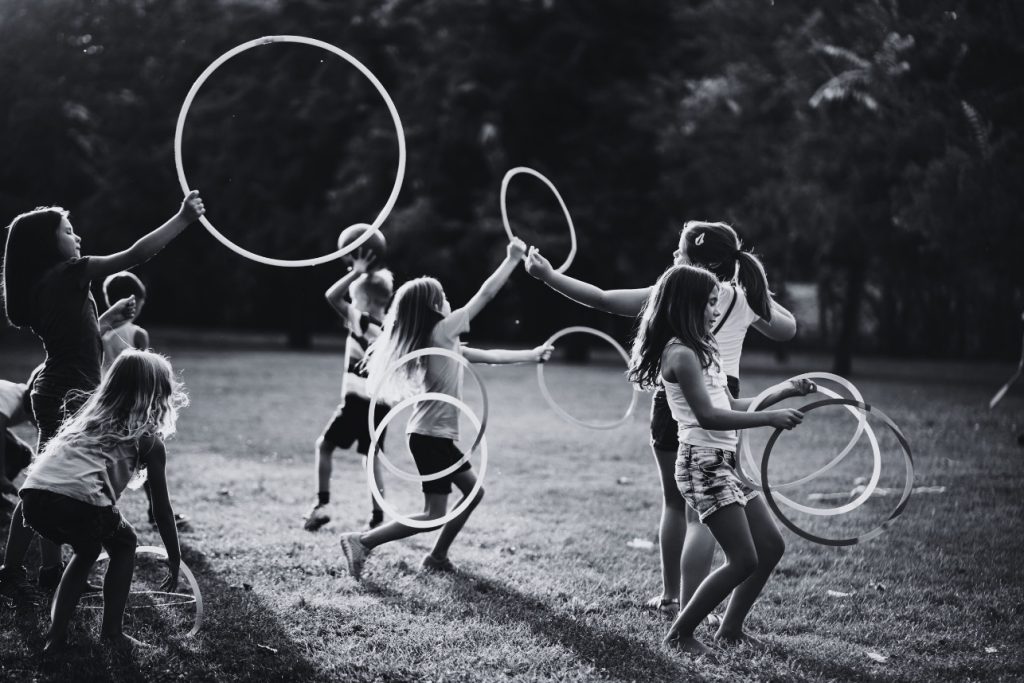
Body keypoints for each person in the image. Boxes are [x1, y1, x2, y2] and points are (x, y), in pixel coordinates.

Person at [525, 220, 796, 618]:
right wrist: (751, 286)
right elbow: (787, 329)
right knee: (707, 508)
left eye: (680, 252)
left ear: (696, 263)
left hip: (676, 401)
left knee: (679, 505)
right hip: (724, 399)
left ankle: (675, 600)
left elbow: (601, 299)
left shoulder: (673, 291)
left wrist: (549, 276)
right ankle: (690, 609)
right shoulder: (741, 298)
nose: (673, 257)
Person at [0, 190, 204, 598]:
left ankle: (34, 570)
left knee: (43, 482)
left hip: (55, 385)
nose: (77, 237)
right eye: (68, 230)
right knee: (45, 485)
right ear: (48, 244)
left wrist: (106, 319)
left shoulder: (45, 285)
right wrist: (183, 218)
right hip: (67, 392)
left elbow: (76, 338)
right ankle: (39, 571)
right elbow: (134, 253)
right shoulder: (71, 272)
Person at [338, 237, 552, 579]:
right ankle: (362, 541)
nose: (450, 301)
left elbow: (490, 356)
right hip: (430, 437)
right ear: (434, 307)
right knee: (434, 511)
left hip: (431, 435)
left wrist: (532, 354)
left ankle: (435, 556)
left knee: (469, 494)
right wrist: (511, 259)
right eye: (443, 297)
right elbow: (485, 295)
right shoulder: (441, 332)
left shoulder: (444, 341)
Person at [627, 265, 813, 655]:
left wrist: (783, 390)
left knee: (770, 547)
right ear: (687, 304)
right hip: (702, 465)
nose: (716, 309)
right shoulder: (679, 354)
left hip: (726, 462)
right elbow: (708, 417)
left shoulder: (705, 351)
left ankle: (729, 629)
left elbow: (729, 404)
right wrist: (768, 418)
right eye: (710, 302)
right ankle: (680, 633)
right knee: (743, 558)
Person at [20, 350, 186, 653]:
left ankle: (55, 638)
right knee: (124, 543)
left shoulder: (85, 421)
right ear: (157, 394)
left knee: (87, 550)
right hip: (78, 503)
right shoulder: (148, 440)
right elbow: (162, 509)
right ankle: (111, 633)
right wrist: (174, 557)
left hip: (33, 498)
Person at [305, 250, 395, 531]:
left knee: (325, 446)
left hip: (357, 402)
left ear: (364, 301)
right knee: (371, 458)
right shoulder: (393, 328)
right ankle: (378, 516)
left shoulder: (363, 321)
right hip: (383, 404)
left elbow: (332, 296)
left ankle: (322, 505)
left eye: (355, 300)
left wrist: (356, 271)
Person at [100, 271, 190, 531]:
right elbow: (146, 371)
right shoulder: (138, 334)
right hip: (135, 403)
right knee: (148, 454)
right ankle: (156, 511)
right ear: (133, 301)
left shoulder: (100, 331)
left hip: (105, 400)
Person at [0, 365, 41, 515]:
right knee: (16, 451)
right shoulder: (12, 397)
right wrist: (1, 476)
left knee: (22, 453)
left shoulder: (24, 403)